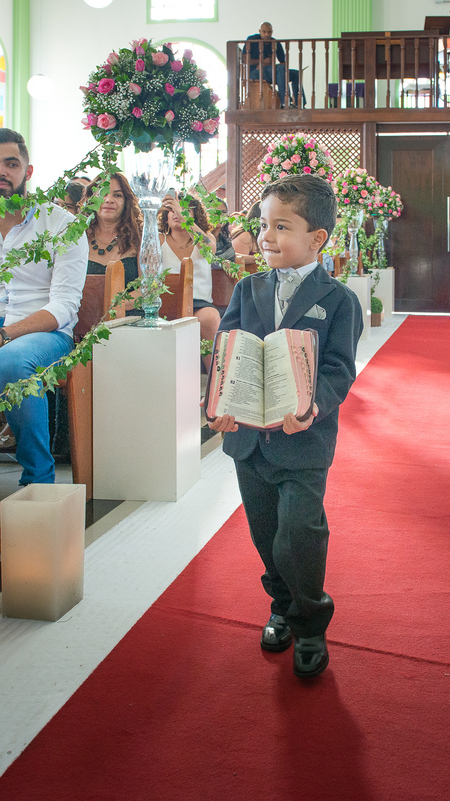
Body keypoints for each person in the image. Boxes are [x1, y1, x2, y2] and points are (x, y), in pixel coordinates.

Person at [209, 173, 363, 678]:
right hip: (248, 439)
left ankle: (311, 623)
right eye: (263, 225)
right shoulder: (248, 289)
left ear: (317, 238)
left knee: (299, 531)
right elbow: (227, 352)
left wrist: (312, 406)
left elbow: (339, 368)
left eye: (281, 226)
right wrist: (219, 403)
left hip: (303, 439)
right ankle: (280, 606)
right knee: (265, 530)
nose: (266, 237)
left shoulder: (338, 299)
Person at [0, 128, 87, 487]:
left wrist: (1, 335)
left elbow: (64, 306)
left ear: (28, 170)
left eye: (11, 163)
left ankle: (38, 480)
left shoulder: (62, 225)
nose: (0, 172)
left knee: (9, 360)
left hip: (44, 332)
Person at [159, 192, 220, 363]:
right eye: (172, 210)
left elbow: (210, 251)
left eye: (185, 210)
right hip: (164, 304)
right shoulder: (159, 239)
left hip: (198, 304)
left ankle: (213, 380)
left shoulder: (206, 238)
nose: (177, 213)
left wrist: (185, 219)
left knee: (209, 318)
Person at [85, 172, 141, 290]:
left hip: (131, 308)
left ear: (127, 201)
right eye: (103, 194)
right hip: (84, 308)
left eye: (117, 195)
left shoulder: (140, 238)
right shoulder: (79, 237)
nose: (109, 200)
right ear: (91, 199)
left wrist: (113, 307)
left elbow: (148, 290)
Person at [245, 22, 303, 109]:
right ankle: (285, 102)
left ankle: (299, 104)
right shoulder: (252, 40)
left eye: (269, 32)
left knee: (295, 74)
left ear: (272, 32)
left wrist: (274, 66)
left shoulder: (275, 43)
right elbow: (244, 59)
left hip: (271, 71)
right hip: (255, 72)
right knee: (280, 69)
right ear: (259, 31)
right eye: (264, 32)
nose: (266, 34)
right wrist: (262, 62)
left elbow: (283, 62)